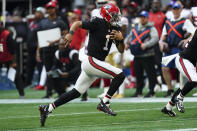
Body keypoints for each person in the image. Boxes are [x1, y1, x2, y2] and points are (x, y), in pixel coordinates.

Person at [39, 3, 125, 127]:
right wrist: (70, 33)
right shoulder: (98, 22)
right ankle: (105, 102)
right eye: (114, 15)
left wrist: (120, 39)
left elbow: (121, 50)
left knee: (76, 92)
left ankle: (48, 108)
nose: (116, 18)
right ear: (106, 14)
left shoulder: (115, 29)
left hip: (95, 63)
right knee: (120, 75)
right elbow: (77, 23)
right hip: (92, 61)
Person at [159, 3, 195, 97]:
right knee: (164, 68)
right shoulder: (168, 22)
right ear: (172, 10)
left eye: (177, 9)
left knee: (181, 70)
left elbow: (193, 33)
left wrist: (186, 40)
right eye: (174, 9)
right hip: (169, 48)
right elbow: (163, 36)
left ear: (180, 10)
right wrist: (162, 43)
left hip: (180, 48)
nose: (175, 10)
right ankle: (170, 89)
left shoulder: (185, 21)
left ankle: (182, 89)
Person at [36, 1, 68, 98]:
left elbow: (65, 34)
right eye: (49, 8)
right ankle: (48, 93)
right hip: (46, 50)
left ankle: (61, 91)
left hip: (57, 50)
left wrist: (54, 41)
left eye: (52, 8)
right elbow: (40, 38)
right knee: (48, 71)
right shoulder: (43, 22)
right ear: (47, 9)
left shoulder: (60, 21)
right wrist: (38, 51)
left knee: (57, 70)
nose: (50, 10)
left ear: (55, 9)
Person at [161, 29, 197, 117]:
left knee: (183, 88)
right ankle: (179, 98)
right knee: (194, 80)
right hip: (184, 60)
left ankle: (168, 108)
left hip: (189, 62)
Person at [125, 11, 158, 97]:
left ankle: (151, 91)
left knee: (151, 74)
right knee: (138, 74)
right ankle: (138, 91)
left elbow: (155, 38)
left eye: (144, 17)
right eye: (141, 17)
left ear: (147, 18)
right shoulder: (135, 27)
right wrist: (126, 43)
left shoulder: (151, 28)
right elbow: (129, 37)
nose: (142, 19)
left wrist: (146, 45)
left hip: (148, 55)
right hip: (137, 55)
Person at [0, 24, 25, 98]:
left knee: (15, 76)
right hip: (1, 56)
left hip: (9, 58)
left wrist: (13, 62)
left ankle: (22, 94)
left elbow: (13, 50)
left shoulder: (7, 34)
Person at [25, 7, 45, 87]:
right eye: (35, 12)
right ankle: (27, 83)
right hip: (30, 49)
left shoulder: (44, 22)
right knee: (29, 66)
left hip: (38, 48)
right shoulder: (32, 22)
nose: (36, 13)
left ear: (42, 14)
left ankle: (41, 84)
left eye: (38, 12)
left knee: (40, 66)